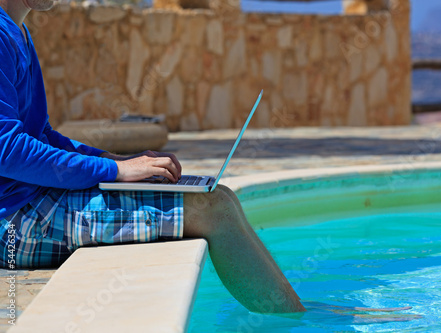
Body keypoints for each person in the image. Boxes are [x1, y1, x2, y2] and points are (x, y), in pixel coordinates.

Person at [0, 0, 306, 313]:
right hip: (14, 223)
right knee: (213, 211)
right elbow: (7, 150)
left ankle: (296, 311)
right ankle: (296, 325)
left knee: (221, 197)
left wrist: (115, 159)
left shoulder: (18, 32)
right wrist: (114, 170)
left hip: (34, 202)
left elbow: (43, 135)